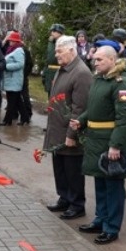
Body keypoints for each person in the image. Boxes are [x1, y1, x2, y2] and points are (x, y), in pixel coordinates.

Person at [69, 45, 126, 245]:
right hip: (95, 138)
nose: (95, 63)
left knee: (113, 186)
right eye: (94, 59)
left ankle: (111, 227)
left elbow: (124, 119)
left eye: (99, 60)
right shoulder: (99, 79)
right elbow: (94, 108)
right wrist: (82, 120)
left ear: (112, 60)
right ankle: (100, 219)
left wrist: (115, 145)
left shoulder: (121, 84)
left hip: (109, 140)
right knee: (100, 182)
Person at [42, 35, 92, 218]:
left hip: (69, 132)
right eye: (56, 51)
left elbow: (80, 108)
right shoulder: (63, 69)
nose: (56, 55)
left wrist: (72, 134)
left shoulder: (81, 73)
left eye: (59, 51)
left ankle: (77, 204)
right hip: (57, 128)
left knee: (73, 170)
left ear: (72, 50)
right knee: (60, 167)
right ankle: (64, 197)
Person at [0, 32, 28, 126]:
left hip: (14, 79)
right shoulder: (12, 49)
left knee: (12, 101)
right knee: (17, 101)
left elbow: (20, 64)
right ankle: (25, 118)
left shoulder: (19, 50)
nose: (10, 41)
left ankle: (7, 120)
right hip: (11, 79)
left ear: (16, 41)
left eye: (12, 40)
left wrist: (6, 66)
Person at [42, 24, 65, 94]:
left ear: (59, 32)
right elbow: (48, 58)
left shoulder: (65, 43)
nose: (52, 33)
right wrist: (45, 72)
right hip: (49, 72)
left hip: (60, 72)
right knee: (50, 96)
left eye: (54, 31)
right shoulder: (51, 43)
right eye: (51, 31)